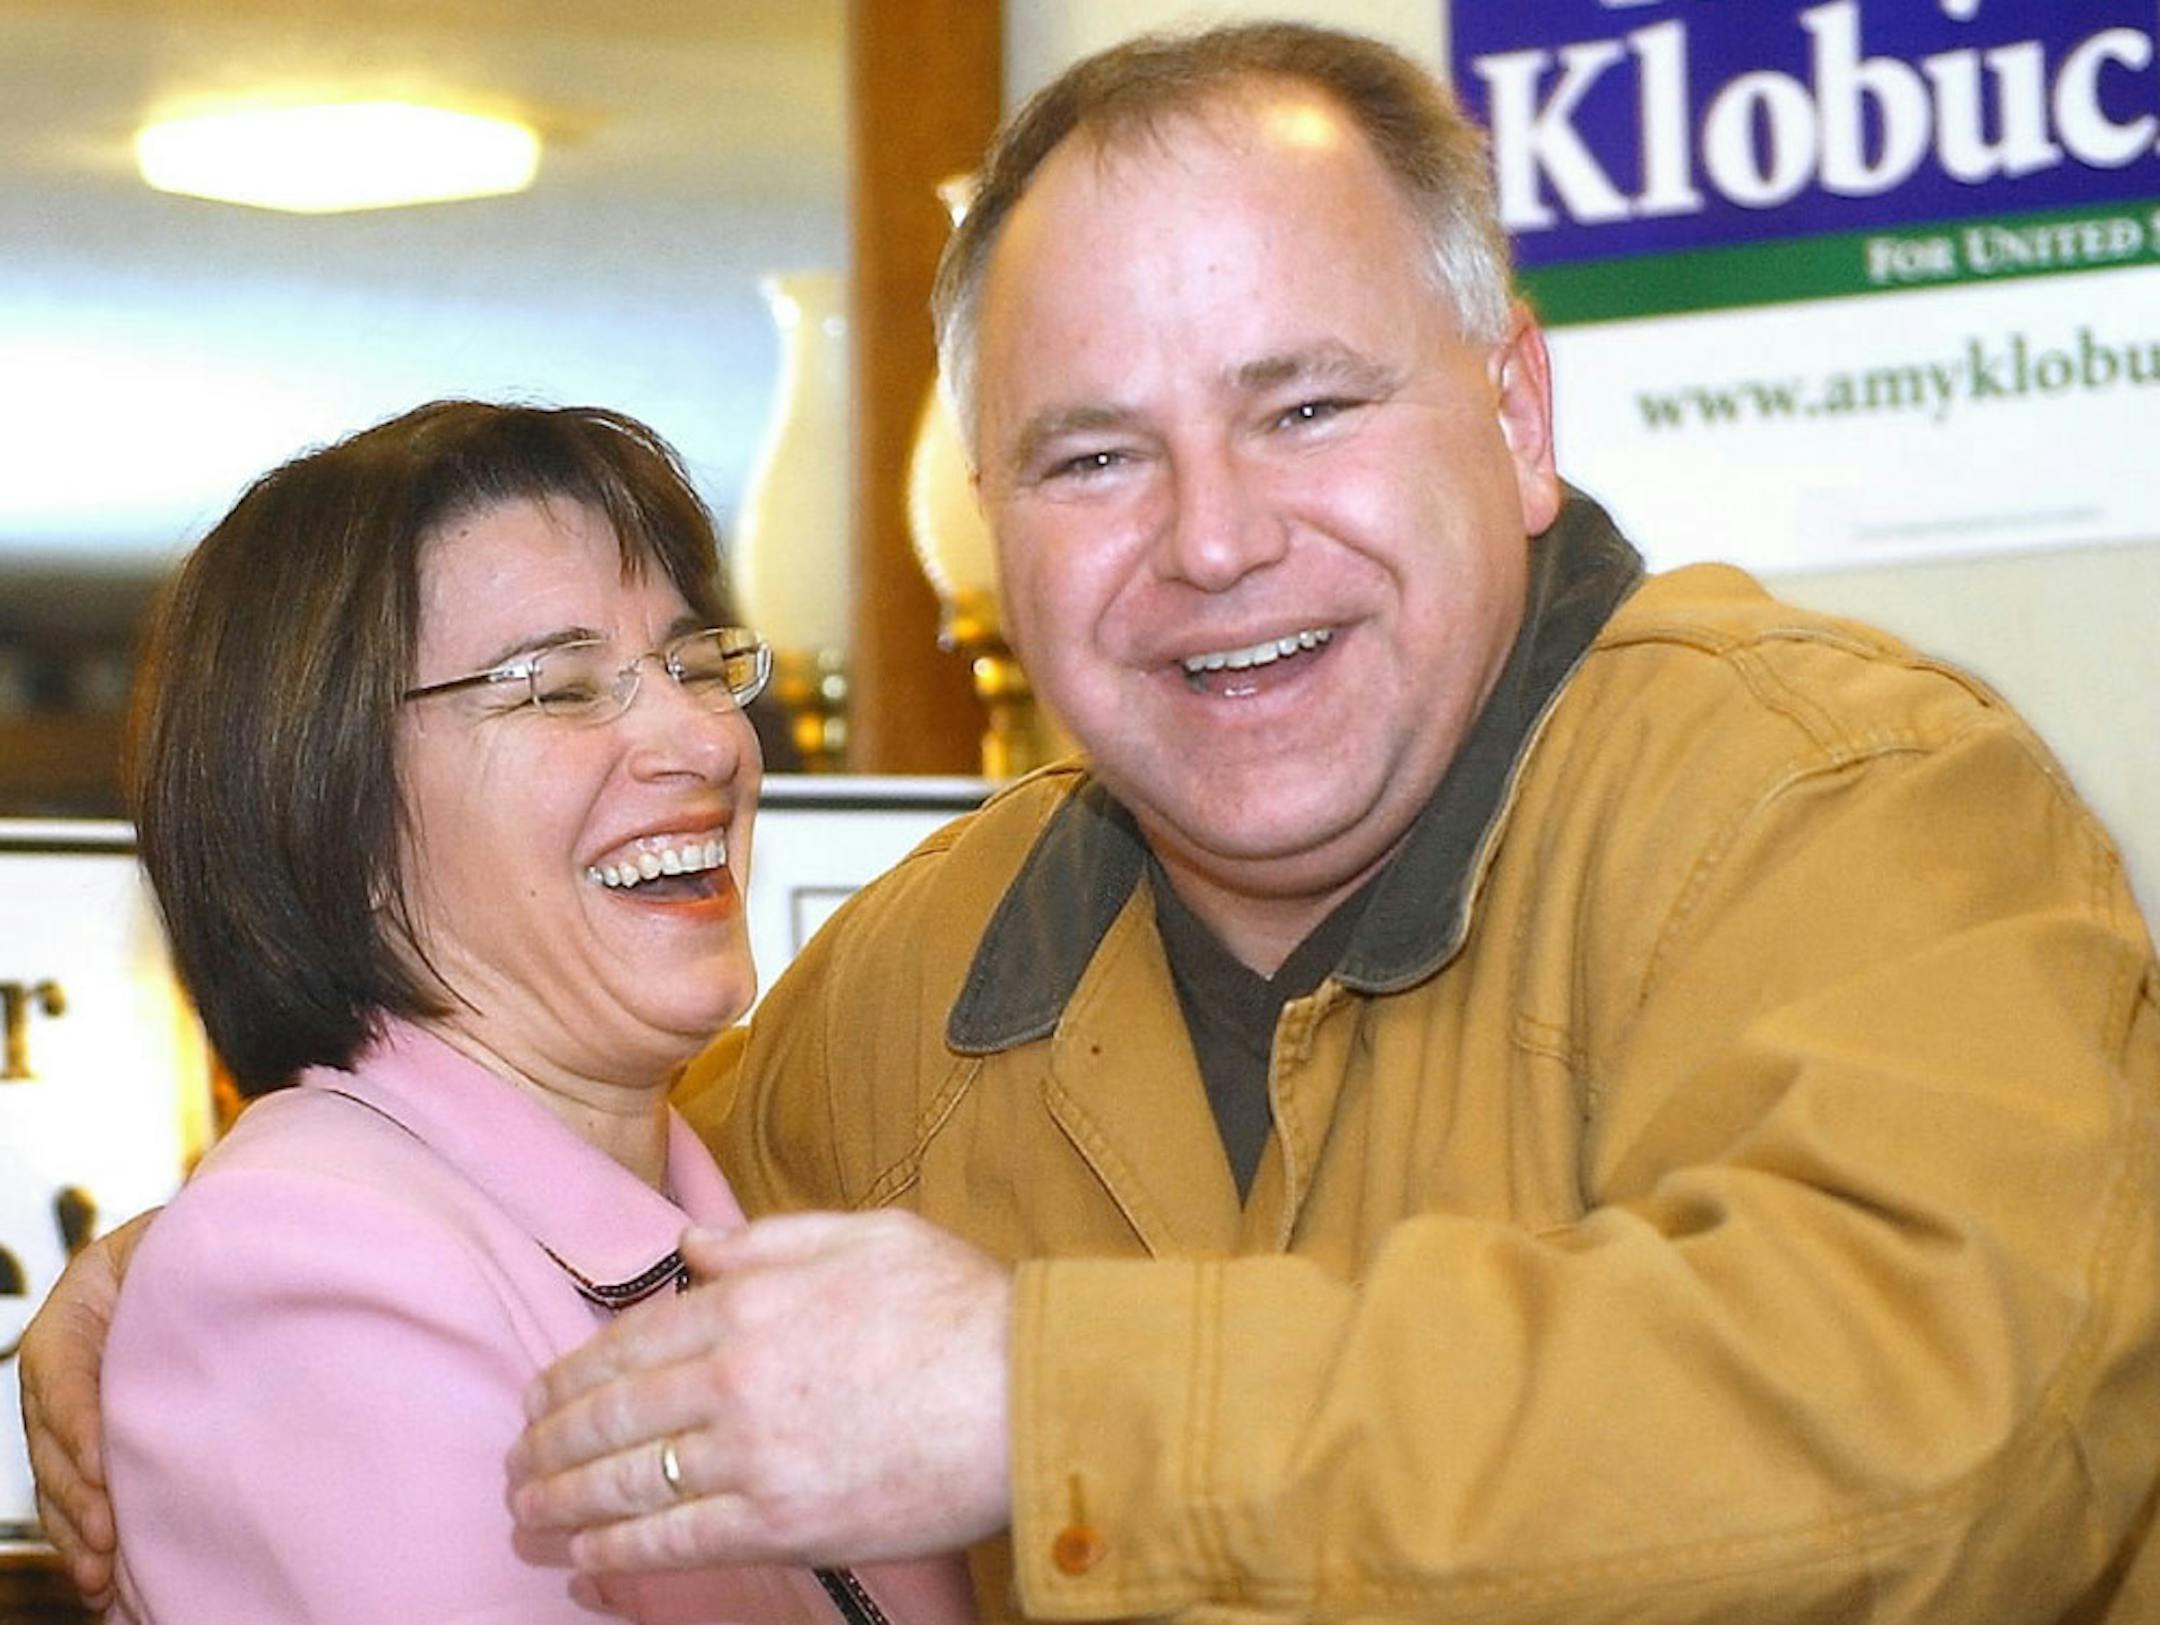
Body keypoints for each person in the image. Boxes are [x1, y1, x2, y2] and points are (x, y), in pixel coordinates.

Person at [25, 21, 2160, 1621]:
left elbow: (1964, 1425)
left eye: (1304, 406)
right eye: (1093, 458)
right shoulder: (929, 974)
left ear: (1514, 413)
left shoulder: (1842, 800)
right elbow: (569, 1217)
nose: (1215, 541)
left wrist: (1038, 1395)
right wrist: (172, 1272)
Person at [57, 400, 975, 1622]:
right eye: (560, 687)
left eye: (694, 662)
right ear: (336, 816)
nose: (704, 737)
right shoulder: (307, 1263)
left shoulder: (720, 1225)